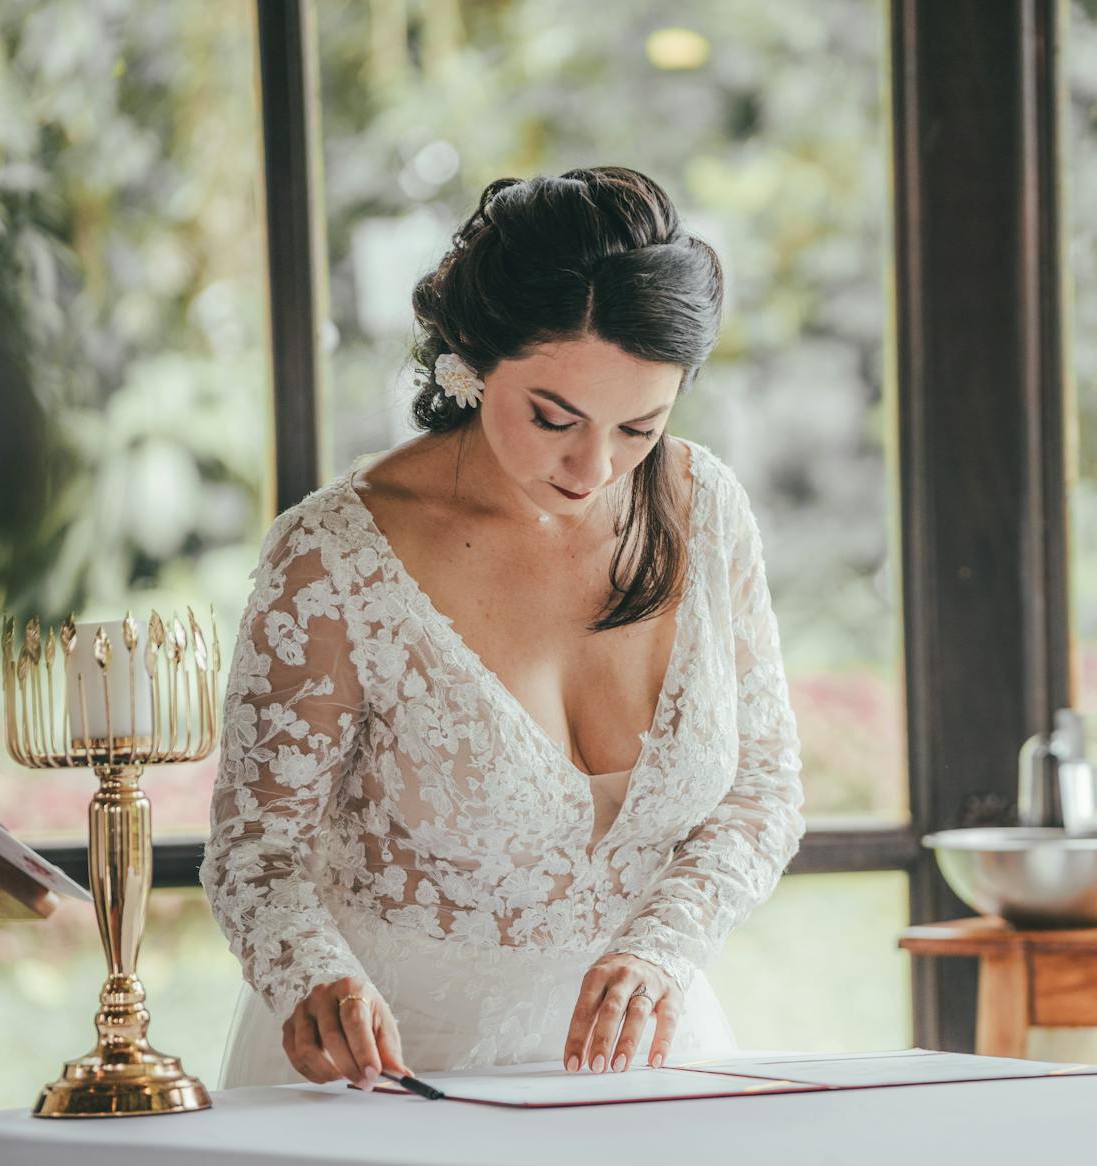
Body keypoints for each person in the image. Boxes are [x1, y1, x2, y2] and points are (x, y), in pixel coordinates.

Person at [201, 167, 805, 1087]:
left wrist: (662, 950)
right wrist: (313, 977)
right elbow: (257, 852)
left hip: (648, 1064)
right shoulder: (337, 557)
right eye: (554, 417)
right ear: (476, 360)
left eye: (639, 426)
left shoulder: (703, 507)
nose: (594, 465)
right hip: (398, 1074)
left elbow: (760, 791)